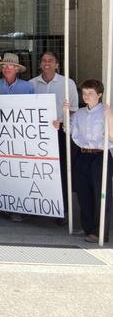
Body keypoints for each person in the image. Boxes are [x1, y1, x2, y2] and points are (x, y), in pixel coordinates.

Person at [29, 51, 79, 225]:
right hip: (37, 135)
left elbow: (74, 110)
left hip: (61, 134)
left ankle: (62, 210)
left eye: (50, 60)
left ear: (57, 64)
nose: (46, 63)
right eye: (43, 60)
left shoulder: (68, 84)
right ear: (40, 64)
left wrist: (61, 121)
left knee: (62, 173)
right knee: (38, 172)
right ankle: (38, 207)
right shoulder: (31, 84)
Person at [0, 52, 34, 221]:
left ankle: (17, 208)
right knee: (0, 171)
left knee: (17, 172)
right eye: (4, 66)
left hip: (20, 139)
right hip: (0, 138)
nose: (7, 68)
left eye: (11, 66)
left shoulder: (28, 87)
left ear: (17, 69)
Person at [69, 80, 113, 243]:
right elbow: (70, 130)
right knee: (83, 193)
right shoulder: (79, 113)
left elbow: (112, 136)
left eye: (90, 94)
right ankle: (87, 228)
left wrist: (109, 116)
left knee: (100, 194)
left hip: (100, 156)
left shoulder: (106, 111)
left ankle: (99, 231)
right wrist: (64, 114)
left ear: (99, 95)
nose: (86, 96)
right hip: (83, 155)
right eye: (84, 93)